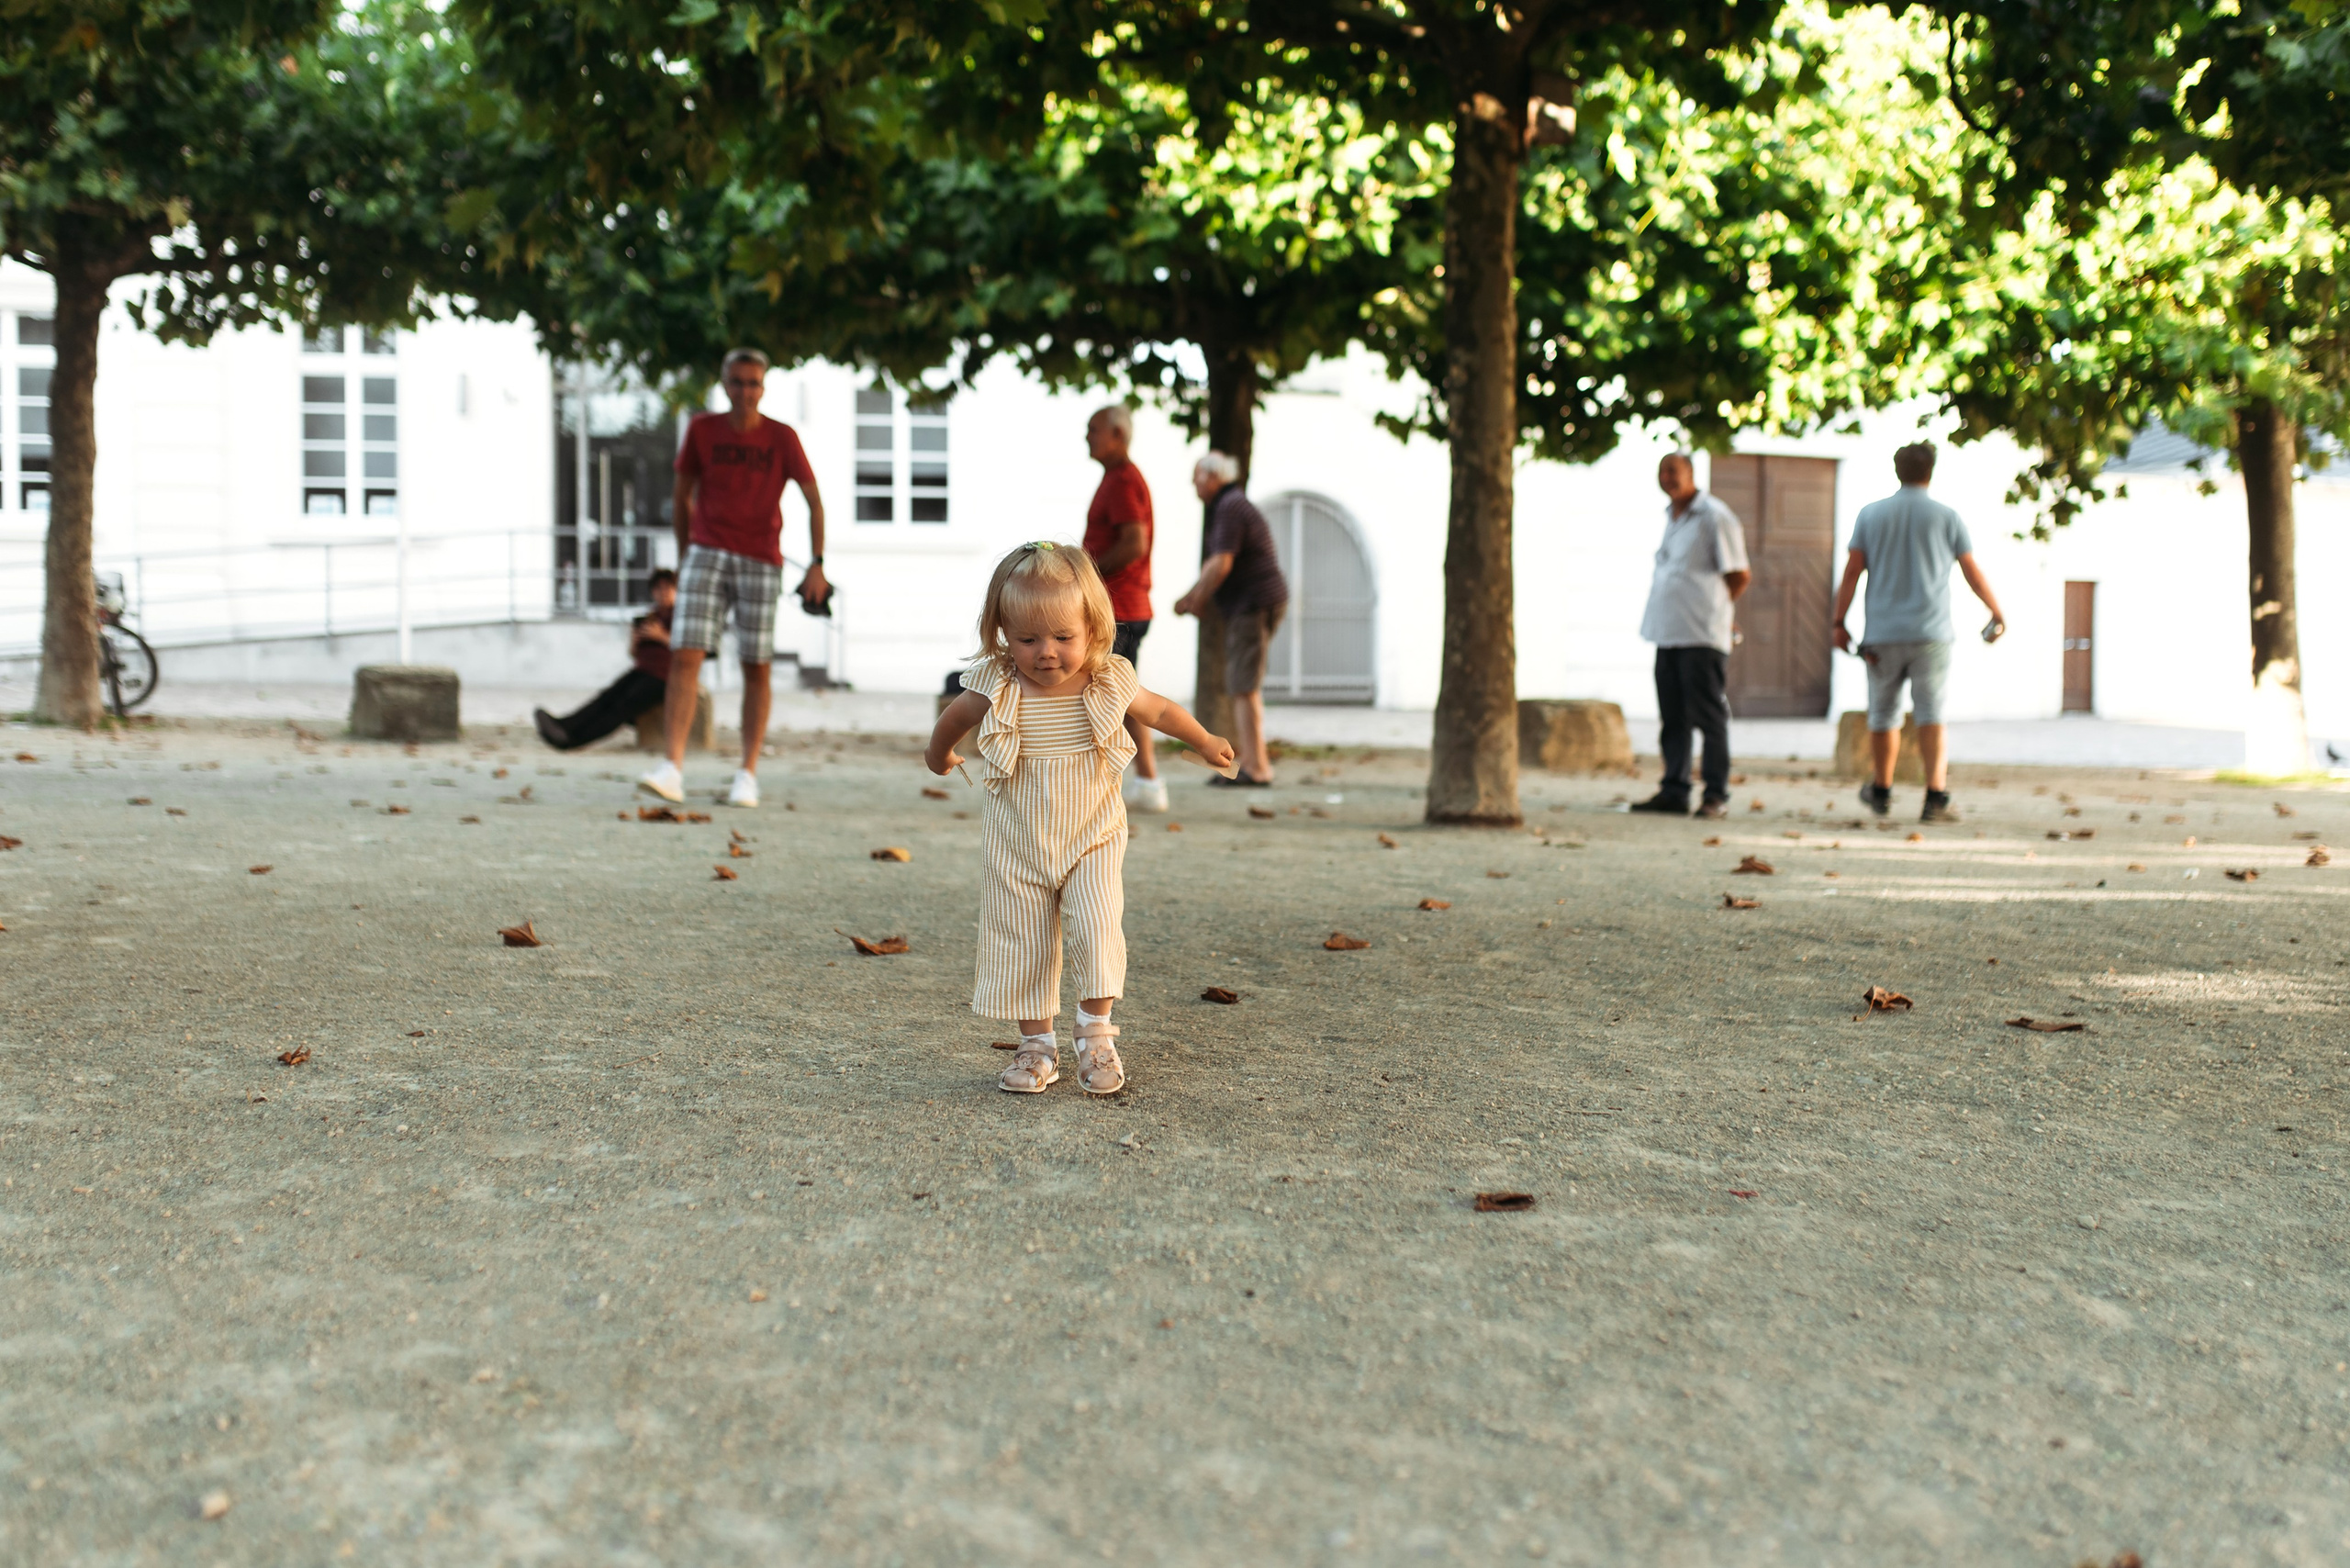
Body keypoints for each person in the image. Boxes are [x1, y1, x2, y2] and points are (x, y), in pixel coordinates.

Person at [927, 542, 1234, 1097]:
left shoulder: (1105, 680)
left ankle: (1096, 1033)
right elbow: (955, 718)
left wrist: (1206, 739)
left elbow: (1159, 710)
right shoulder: (998, 684)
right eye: (1027, 639)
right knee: (1023, 937)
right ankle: (1037, 1045)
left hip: (1092, 835)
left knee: (1096, 925)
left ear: (1092, 628)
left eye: (1063, 638)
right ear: (1003, 633)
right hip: (1016, 843)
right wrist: (938, 755)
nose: (1047, 653)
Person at [638, 348, 828, 808]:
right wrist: (688, 557)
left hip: (762, 558)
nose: (745, 390)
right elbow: (682, 496)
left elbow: (814, 501)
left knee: (756, 664)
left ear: (763, 388)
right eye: (737, 381)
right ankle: (672, 768)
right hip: (707, 552)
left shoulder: (782, 438)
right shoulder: (702, 429)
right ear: (724, 384)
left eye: (754, 382)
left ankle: (747, 775)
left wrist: (818, 563)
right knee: (685, 653)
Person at [1833, 441, 2008, 823]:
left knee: (1883, 715)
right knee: (1931, 714)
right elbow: (1970, 571)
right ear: (1932, 470)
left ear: (1897, 470)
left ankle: (1881, 788)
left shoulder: (1870, 515)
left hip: (1882, 633)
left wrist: (1838, 621)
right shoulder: (1947, 516)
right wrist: (1995, 610)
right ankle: (1935, 796)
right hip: (1931, 634)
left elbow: (1852, 571)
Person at [1631, 453, 1751, 819]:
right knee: (1673, 717)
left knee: (1709, 716)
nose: (1667, 477)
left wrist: (1720, 611)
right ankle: (1674, 790)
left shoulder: (1715, 516)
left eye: (1674, 471)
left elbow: (1739, 574)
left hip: (1702, 633)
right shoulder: (1671, 516)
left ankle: (1716, 795)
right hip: (1667, 631)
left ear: (1691, 474)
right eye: (1662, 470)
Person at [1172, 452, 1288, 787]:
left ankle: (1258, 768)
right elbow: (1217, 563)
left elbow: (1220, 563)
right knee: (1242, 684)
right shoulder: (1231, 504)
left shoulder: (1229, 506)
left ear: (1211, 477)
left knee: (1244, 686)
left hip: (1252, 604)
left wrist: (1195, 598)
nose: (1193, 483)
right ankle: (1249, 762)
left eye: (1196, 476)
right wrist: (1195, 596)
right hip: (1252, 603)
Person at [1080, 404, 1168, 814]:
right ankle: (1145, 780)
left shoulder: (1122, 480)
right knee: (1120, 693)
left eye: (1094, 429)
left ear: (1118, 434)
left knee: (1111, 694)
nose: (1087, 437)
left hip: (1120, 606)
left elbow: (1135, 543)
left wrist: (1088, 575)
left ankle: (1134, 782)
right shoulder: (1117, 479)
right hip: (1122, 605)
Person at [533, 569, 679, 750]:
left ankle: (573, 740)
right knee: (605, 698)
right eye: (658, 588)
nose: (663, 592)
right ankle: (563, 725)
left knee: (621, 707)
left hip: (663, 676)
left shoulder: (679, 617)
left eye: (668, 588)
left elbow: (687, 651)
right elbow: (633, 653)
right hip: (642, 670)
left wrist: (661, 636)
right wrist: (636, 640)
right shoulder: (651, 617)